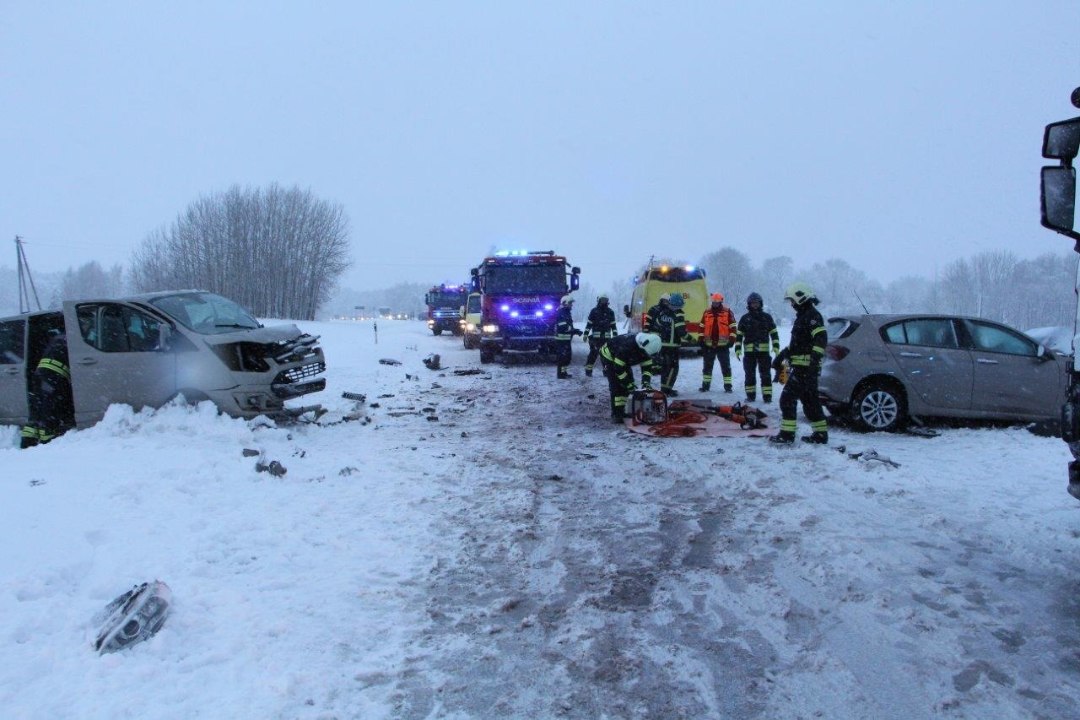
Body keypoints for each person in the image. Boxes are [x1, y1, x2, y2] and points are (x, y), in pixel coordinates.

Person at [770, 282, 829, 444]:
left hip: (805, 369)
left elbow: (821, 339)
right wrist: (782, 356)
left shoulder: (812, 316)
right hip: (803, 368)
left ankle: (787, 435)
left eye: (793, 301)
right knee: (810, 402)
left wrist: (813, 363)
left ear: (801, 298)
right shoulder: (804, 316)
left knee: (787, 399)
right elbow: (798, 344)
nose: (792, 304)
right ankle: (821, 434)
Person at [20, 332, 75, 449]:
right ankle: (47, 442)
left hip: (40, 374)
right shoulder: (71, 339)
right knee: (49, 410)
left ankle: (27, 442)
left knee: (37, 408)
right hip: (53, 376)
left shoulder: (58, 339)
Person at [599, 332, 661, 423]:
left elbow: (647, 368)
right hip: (609, 356)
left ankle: (626, 409)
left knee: (629, 382)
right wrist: (628, 384)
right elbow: (619, 369)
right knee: (616, 385)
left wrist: (646, 383)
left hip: (623, 359)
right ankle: (617, 414)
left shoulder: (647, 347)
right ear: (642, 347)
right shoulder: (626, 347)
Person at [734, 292, 780, 403]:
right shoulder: (745, 318)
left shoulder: (767, 317)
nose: (755, 305)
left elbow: (774, 333)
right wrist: (738, 348)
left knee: (766, 375)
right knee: (749, 375)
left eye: (757, 303)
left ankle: (767, 397)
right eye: (753, 303)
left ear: (760, 303)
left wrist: (776, 346)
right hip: (749, 354)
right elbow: (739, 335)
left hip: (764, 353)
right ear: (749, 304)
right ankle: (750, 396)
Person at [646, 293, 686, 395]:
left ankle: (664, 389)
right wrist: (691, 339)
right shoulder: (678, 313)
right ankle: (666, 390)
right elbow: (681, 331)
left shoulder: (662, 313)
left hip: (663, 345)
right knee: (673, 368)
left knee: (665, 368)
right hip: (673, 345)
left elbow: (657, 325)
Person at [699, 293, 736, 392]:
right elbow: (701, 327)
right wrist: (700, 340)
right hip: (709, 345)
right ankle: (705, 386)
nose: (715, 303)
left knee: (725, 367)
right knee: (707, 367)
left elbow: (733, 327)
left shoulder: (727, 312)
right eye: (714, 302)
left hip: (723, 346)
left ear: (721, 302)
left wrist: (732, 340)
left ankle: (728, 386)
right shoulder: (707, 312)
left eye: (717, 302)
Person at [582, 294, 618, 377]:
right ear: (599, 300)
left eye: (605, 300)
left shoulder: (610, 312)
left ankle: (606, 371)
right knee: (593, 354)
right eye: (602, 300)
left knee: (606, 355)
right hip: (595, 339)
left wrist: (616, 336)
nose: (604, 302)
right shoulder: (594, 311)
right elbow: (589, 324)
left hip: (606, 339)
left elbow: (613, 326)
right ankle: (588, 370)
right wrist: (585, 334)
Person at [555, 295, 583, 379]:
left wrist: (575, 330)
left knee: (567, 357)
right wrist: (574, 331)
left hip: (566, 339)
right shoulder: (562, 312)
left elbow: (568, 326)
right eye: (570, 303)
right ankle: (560, 374)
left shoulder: (566, 312)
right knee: (563, 357)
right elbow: (563, 327)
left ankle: (564, 372)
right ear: (565, 303)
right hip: (562, 339)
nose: (572, 305)